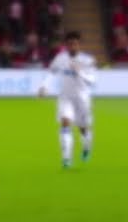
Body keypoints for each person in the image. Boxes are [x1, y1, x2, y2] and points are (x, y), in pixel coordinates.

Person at [38, 31, 96, 168]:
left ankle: (86, 147)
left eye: (75, 44)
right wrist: (44, 86)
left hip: (82, 99)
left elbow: (92, 80)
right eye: (70, 44)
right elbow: (51, 73)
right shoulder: (60, 58)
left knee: (83, 129)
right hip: (65, 97)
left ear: (79, 45)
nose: (72, 46)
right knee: (65, 123)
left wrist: (79, 72)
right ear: (66, 45)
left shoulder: (87, 60)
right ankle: (66, 158)